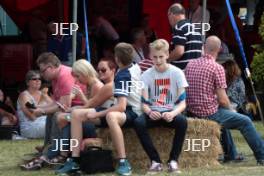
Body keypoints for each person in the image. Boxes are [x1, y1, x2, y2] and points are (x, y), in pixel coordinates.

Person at [185, 35, 264, 165]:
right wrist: (232, 110)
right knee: (245, 121)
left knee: (225, 115)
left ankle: (231, 154)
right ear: (220, 49)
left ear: (204, 47)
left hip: (191, 112)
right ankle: (262, 156)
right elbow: (223, 100)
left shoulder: (190, 64)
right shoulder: (217, 68)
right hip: (208, 114)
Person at [134, 39, 188, 174]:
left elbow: (183, 103)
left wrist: (173, 113)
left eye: (161, 57)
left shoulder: (177, 73)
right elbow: (144, 103)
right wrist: (150, 112)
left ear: (167, 55)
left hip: (171, 111)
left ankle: (173, 160)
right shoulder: (145, 75)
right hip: (154, 112)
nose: (157, 60)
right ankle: (155, 161)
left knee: (182, 122)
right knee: (138, 122)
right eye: (154, 57)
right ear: (150, 56)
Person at [55, 58, 117, 174]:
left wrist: (78, 98)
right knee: (60, 117)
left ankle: (63, 154)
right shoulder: (96, 85)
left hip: (99, 121)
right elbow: (89, 106)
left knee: (64, 118)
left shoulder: (100, 86)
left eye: (103, 70)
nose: (99, 73)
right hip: (96, 117)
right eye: (98, 70)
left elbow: (89, 105)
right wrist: (71, 101)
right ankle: (61, 152)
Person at [17, 70, 52, 138]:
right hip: (30, 126)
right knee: (54, 126)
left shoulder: (43, 93)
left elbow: (55, 106)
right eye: (34, 79)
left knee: (59, 121)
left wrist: (44, 96)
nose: (38, 81)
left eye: (39, 79)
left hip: (43, 122)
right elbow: (32, 117)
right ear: (27, 82)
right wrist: (46, 111)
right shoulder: (24, 95)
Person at [167, 3, 203, 69]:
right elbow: (202, 51)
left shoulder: (179, 27)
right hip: (195, 71)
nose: (169, 21)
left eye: (168, 16)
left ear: (171, 14)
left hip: (183, 73)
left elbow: (179, 51)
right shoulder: (195, 28)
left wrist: (166, 60)